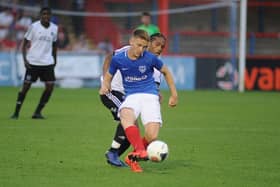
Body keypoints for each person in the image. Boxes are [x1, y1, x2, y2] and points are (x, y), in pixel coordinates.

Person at [99, 30, 178, 172]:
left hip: (131, 94)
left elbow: (154, 84)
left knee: (136, 131)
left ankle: (128, 154)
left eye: (162, 46)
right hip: (113, 91)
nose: (159, 48)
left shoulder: (152, 62)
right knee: (129, 120)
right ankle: (115, 152)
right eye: (157, 45)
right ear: (150, 44)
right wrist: (105, 82)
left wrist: (160, 94)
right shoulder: (125, 53)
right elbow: (109, 58)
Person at [11, 7, 58, 119]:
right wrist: (25, 60)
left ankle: (37, 112)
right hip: (33, 62)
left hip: (47, 63)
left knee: (50, 87)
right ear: (40, 15)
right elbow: (24, 44)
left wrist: (55, 60)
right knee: (26, 87)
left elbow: (55, 46)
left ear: (50, 16)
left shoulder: (54, 28)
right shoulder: (34, 27)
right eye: (44, 14)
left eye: (48, 14)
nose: (46, 16)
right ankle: (16, 112)